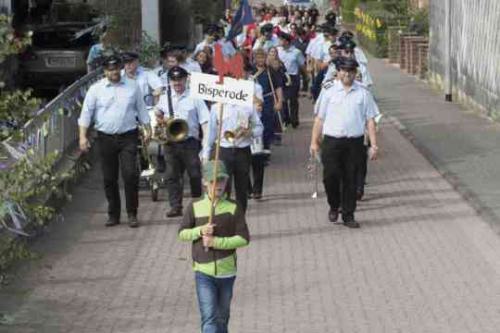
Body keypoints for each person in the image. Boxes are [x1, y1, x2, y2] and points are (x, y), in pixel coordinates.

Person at [78, 54, 151, 228]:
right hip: (105, 137)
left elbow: (141, 108)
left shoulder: (133, 87)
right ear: (105, 71)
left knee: (130, 175)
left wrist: (147, 128)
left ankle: (132, 213)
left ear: (121, 68)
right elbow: (86, 114)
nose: (114, 73)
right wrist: (82, 137)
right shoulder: (96, 89)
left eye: (116, 69)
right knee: (110, 178)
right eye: (110, 70)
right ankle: (114, 214)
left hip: (128, 136)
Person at [178, 160, 250, 333]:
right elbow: (182, 233)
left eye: (221, 180)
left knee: (222, 318)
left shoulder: (234, 207)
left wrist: (216, 242)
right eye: (213, 181)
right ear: (204, 182)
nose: (218, 185)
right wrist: (200, 231)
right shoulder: (195, 206)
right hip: (203, 272)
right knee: (209, 318)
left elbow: (243, 238)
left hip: (227, 272)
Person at [309, 57, 380, 228]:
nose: (347, 74)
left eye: (350, 71)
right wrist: (314, 142)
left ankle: (348, 214)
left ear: (355, 73)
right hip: (332, 142)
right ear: (338, 72)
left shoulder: (363, 92)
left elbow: (370, 120)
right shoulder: (328, 91)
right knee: (330, 177)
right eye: (344, 71)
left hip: (354, 143)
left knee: (351, 179)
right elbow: (319, 119)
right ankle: (334, 205)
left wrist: (374, 145)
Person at [156, 66, 210, 218]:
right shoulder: (164, 96)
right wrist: (160, 117)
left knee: (194, 174)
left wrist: (206, 144)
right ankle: (175, 206)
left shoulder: (195, 97)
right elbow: (158, 112)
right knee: (172, 175)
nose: (177, 83)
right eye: (174, 80)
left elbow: (205, 121)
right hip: (171, 142)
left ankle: (197, 204)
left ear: (186, 79)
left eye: (179, 79)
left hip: (189, 142)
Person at [202, 84, 264, 213]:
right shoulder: (217, 107)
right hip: (224, 150)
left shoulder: (248, 106)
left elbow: (259, 127)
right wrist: (206, 154)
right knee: (223, 187)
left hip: (243, 150)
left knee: (242, 188)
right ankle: (225, 216)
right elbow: (211, 133)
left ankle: (240, 217)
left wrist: (250, 132)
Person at [249, 48, 284, 199]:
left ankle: (264, 149)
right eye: (258, 56)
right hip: (252, 103)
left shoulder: (271, 72)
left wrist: (280, 100)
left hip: (268, 101)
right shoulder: (249, 72)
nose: (261, 59)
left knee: (266, 128)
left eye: (263, 56)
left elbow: (278, 87)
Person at [277, 31, 305, 128]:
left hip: (293, 77)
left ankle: (294, 119)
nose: (279, 41)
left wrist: (305, 78)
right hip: (282, 77)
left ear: (287, 41)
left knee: (293, 99)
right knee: (283, 99)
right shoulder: (278, 50)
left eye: (281, 40)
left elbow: (302, 65)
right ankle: (286, 118)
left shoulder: (296, 52)